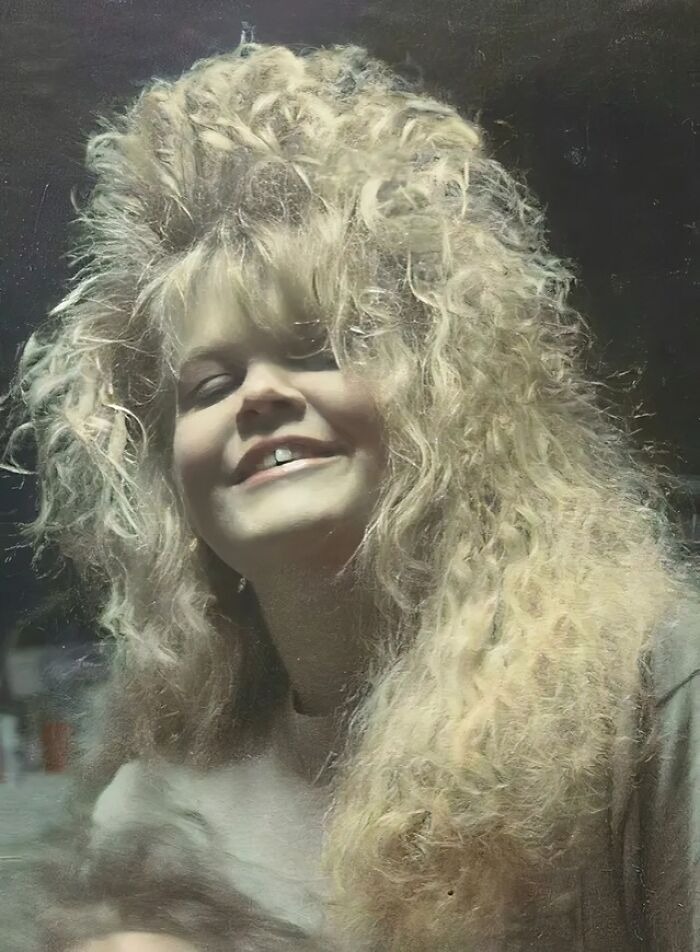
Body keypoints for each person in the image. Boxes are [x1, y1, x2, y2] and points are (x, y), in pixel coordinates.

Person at [2, 38, 699, 952]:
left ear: (449, 396)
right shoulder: (151, 808)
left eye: (317, 349)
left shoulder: (651, 696)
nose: (259, 396)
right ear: (170, 479)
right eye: (207, 386)